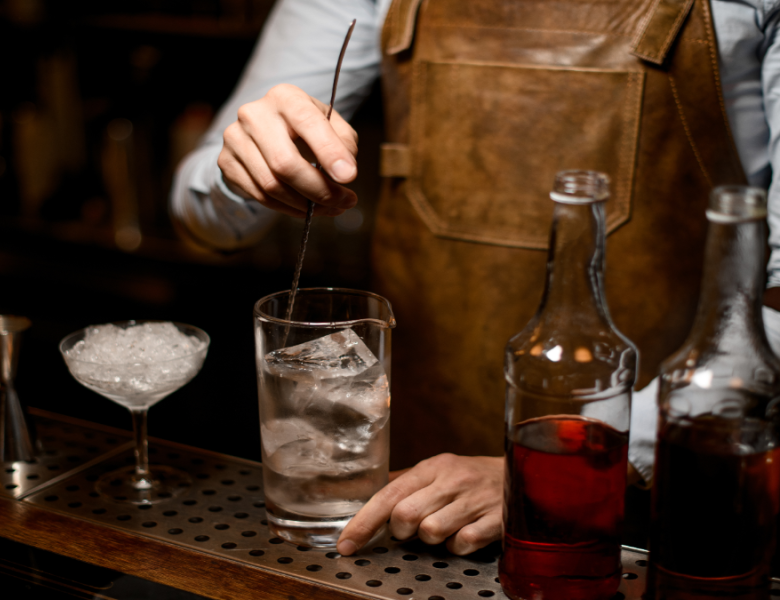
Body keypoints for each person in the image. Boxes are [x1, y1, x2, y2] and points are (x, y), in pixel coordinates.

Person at [172, 0, 780, 557]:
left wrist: (570, 463)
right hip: (402, 508)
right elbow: (202, 215)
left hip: (662, 514)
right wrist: (242, 168)